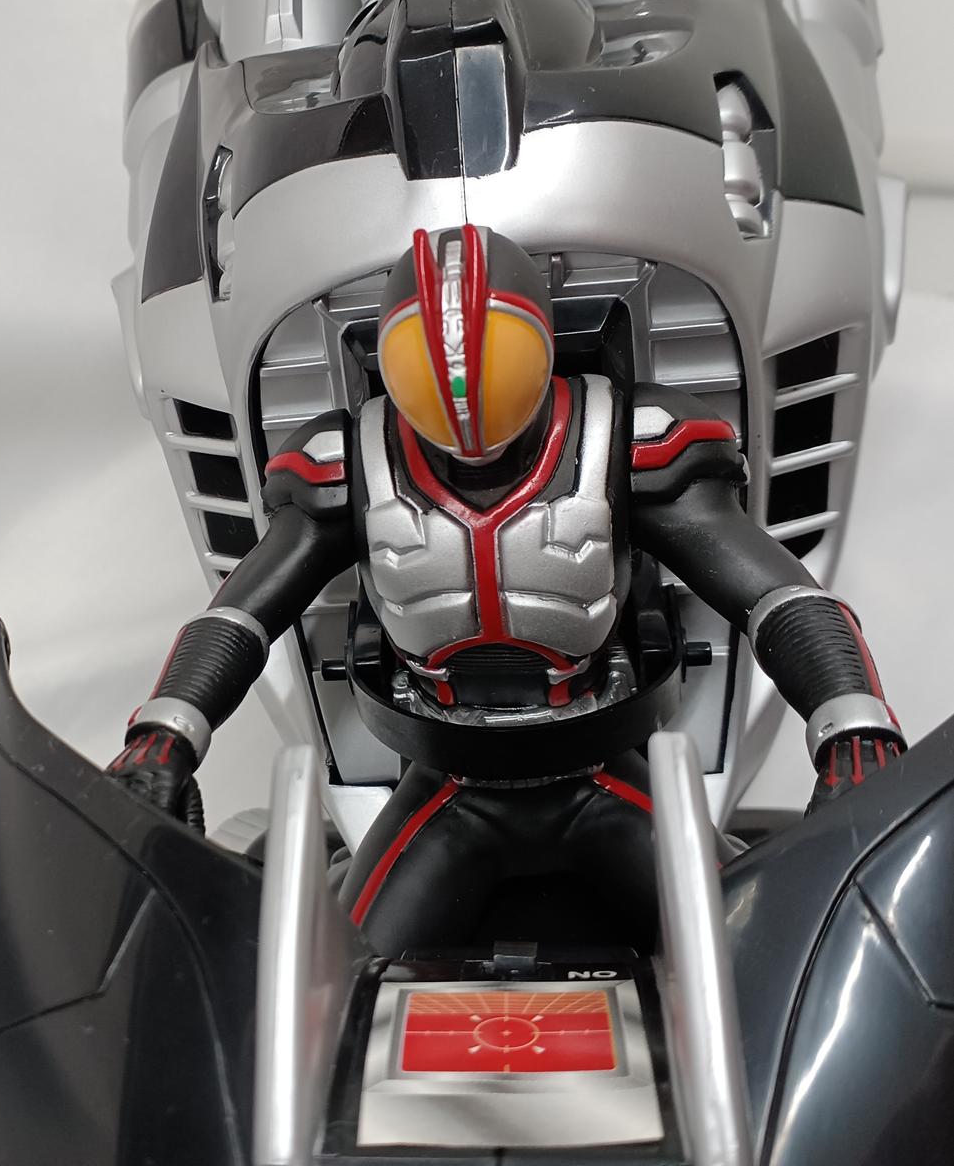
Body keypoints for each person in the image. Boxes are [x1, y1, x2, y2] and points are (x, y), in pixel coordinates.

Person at [109, 225, 904, 956]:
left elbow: (773, 594)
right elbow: (244, 613)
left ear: (541, 341)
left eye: (497, 359)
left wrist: (851, 728)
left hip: (597, 775)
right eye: (428, 368)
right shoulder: (345, 461)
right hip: (448, 790)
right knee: (333, 986)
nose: (464, 402)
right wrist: (164, 737)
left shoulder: (630, 440)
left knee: (774, 955)